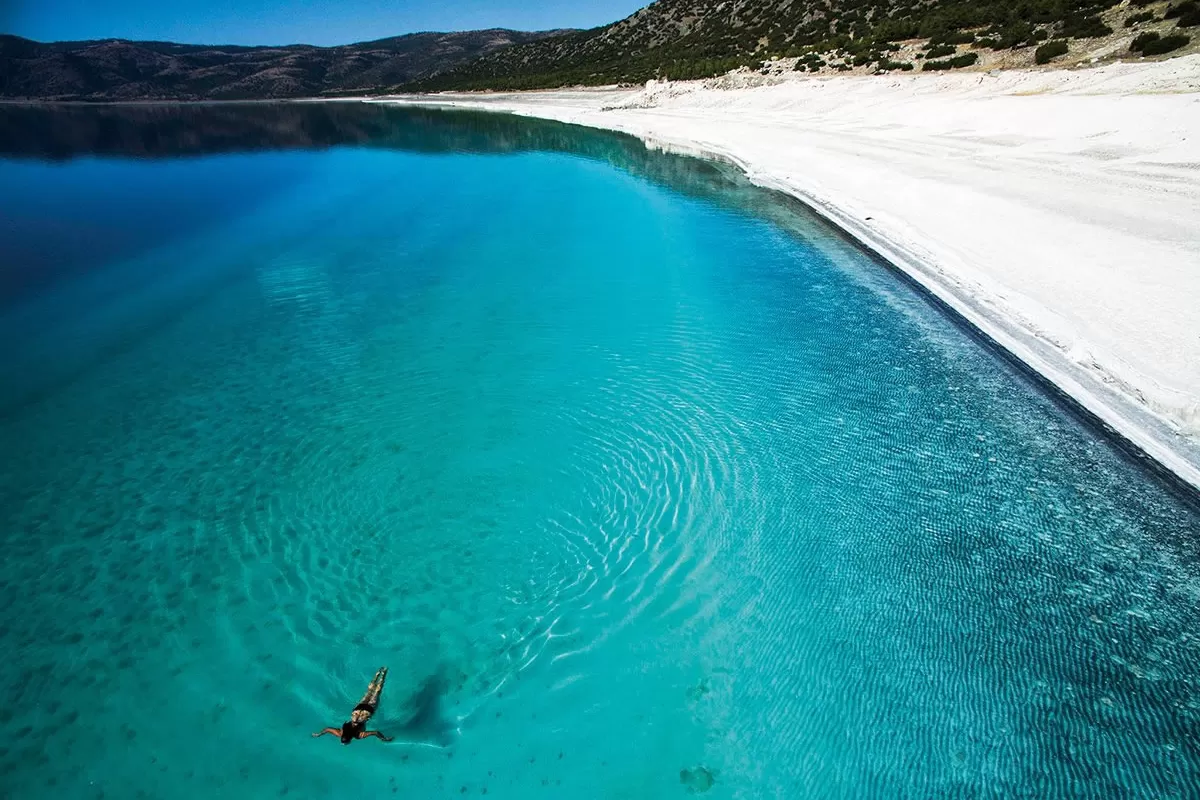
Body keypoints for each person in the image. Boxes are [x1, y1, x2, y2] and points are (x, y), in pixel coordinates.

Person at [312, 666, 394, 744]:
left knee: (377, 692)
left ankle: (384, 673)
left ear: (350, 739)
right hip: (356, 711)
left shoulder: (358, 735)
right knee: (369, 691)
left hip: (366, 713)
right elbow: (327, 729)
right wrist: (319, 734)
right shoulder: (340, 732)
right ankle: (377, 674)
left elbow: (376, 732)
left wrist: (384, 739)